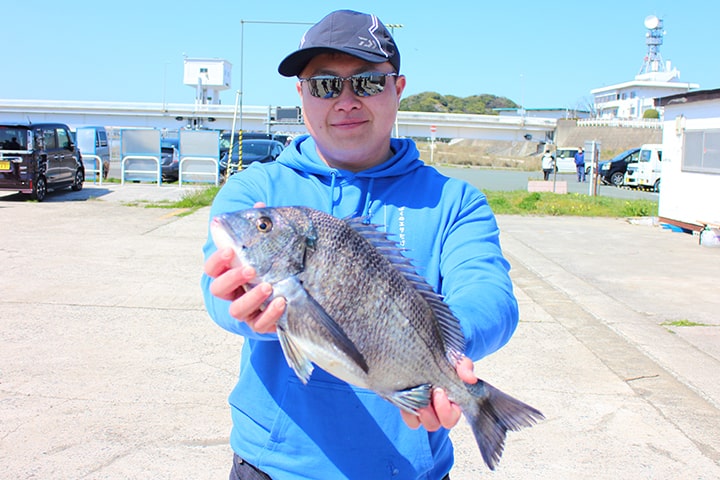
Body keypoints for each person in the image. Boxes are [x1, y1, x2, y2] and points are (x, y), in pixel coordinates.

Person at [201, 9, 519, 480]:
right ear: (301, 95)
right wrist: (237, 306)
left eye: (367, 82)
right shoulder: (256, 194)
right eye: (325, 85)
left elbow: (490, 296)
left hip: (410, 470)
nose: (346, 100)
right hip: (272, 467)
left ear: (398, 88)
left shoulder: (455, 201)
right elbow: (217, 290)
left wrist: (445, 357)